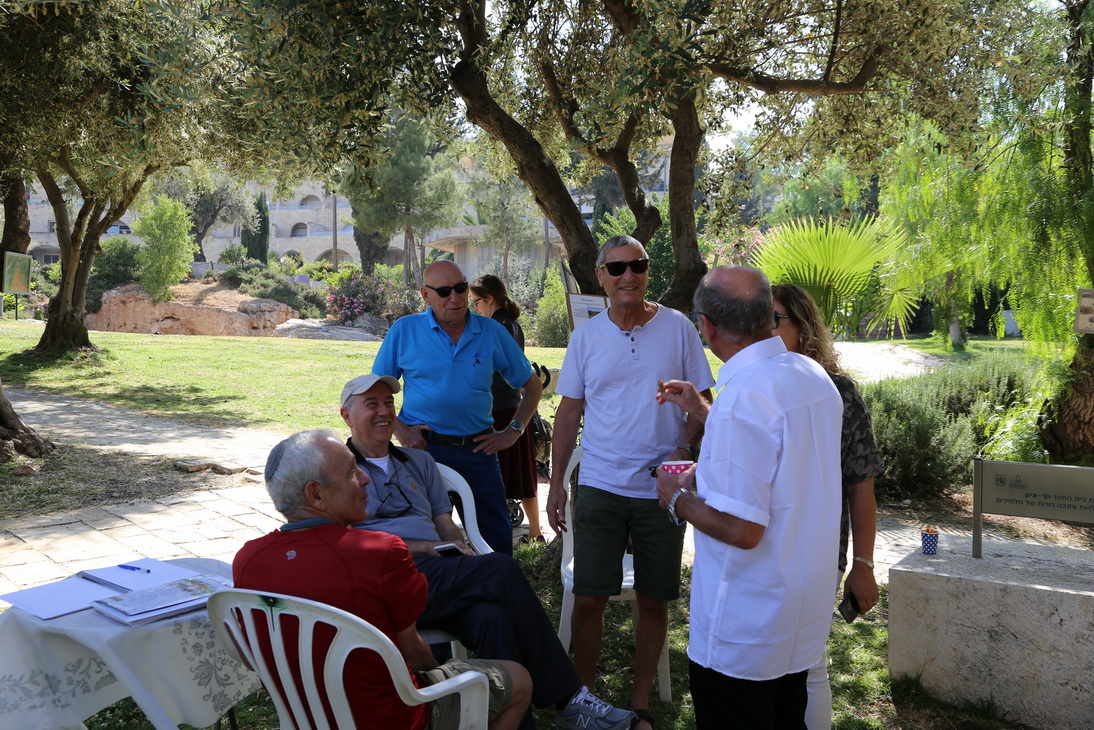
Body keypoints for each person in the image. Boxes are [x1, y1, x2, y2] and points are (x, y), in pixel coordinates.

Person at [339, 373, 638, 730]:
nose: (384, 411)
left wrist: (457, 547)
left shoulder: (418, 462)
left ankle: (517, 723)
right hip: (387, 582)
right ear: (347, 415)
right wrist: (427, 548)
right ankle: (570, 699)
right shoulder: (338, 470)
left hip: (436, 576)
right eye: (371, 404)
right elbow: (345, 540)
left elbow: (444, 523)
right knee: (501, 569)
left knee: (491, 617)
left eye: (389, 403)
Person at [232, 429, 532, 730]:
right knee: (519, 679)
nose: (364, 478)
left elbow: (252, 656)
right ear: (316, 495)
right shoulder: (380, 551)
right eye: (351, 472)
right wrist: (440, 676)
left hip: (308, 717)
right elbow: (414, 652)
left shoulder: (248, 560)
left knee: (487, 615)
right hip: (395, 718)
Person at [654, 266, 843, 729]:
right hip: (799, 609)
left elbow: (743, 530)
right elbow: (782, 467)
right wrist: (705, 420)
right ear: (767, 315)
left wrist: (677, 499)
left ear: (707, 326)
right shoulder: (811, 375)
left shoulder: (744, 397)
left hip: (746, 627)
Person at [547, 234, 715, 727]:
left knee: (654, 599)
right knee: (588, 598)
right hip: (600, 483)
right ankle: (585, 702)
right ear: (600, 276)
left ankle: (639, 703)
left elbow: (703, 400)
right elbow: (568, 411)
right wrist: (556, 483)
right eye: (617, 267)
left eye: (637, 265)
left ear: (646, 270)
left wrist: (683, 448)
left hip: (662, 489)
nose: (628, 276)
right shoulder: (586, 337)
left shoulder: (678, 328)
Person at [771, 283, 885, 730]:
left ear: (803, 328)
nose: (764, 330)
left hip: (817, 554)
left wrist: (863, 565)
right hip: (760, 549)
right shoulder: (755, 384)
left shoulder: (838, 393)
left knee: (807, 663)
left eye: (774, 319)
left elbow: (861, 488)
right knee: (767, 663)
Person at [372, 260, 543, 555]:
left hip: (479, 450)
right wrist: (400, 429)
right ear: (426, 295)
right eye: (444, 291)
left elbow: (532, 385)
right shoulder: (405, 330)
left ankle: (494, 585)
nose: (455, 298)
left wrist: (513, 431)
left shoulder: (490, 331)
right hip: (423, 451)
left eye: (461, 288)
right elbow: (377, 390)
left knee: (496, 543)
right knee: (424, 539)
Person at [469, 273, 544, 544]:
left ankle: (493, 536)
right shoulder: (512, 323)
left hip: (499, 409)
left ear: (489, 299)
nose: (475, 308)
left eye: (476, 302)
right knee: (524, 475)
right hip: (516, 407)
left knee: (497, 478)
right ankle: (535, 531)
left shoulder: (494, 327)